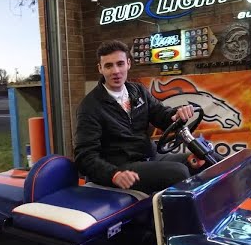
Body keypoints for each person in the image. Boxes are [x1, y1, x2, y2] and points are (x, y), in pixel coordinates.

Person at [74, 39, 198, 194]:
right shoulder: (90, 106)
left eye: (120, 64)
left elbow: (161, 115)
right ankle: (173, 218)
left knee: (204, 157)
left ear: (128, 64)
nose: (115, 71)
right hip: (121, 167)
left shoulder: (138, 91)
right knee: (178, 172)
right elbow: (84, 157)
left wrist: (176, 114)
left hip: (149, 157)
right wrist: (113, 174)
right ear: (100, 69)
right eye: (108, 66)